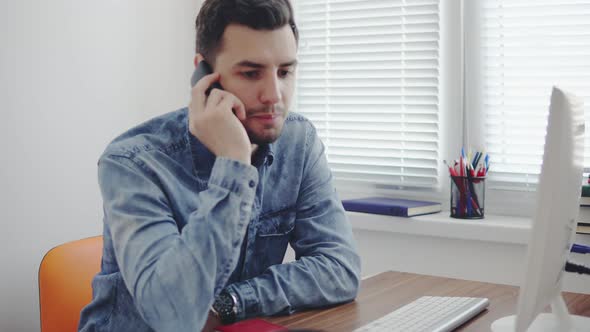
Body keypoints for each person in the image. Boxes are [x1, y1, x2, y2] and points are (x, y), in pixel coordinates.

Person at [78, 0, 361, 331]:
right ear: (204, 74)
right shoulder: (133, 162)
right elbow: (173, 316)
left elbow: (339, 268)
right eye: (251, 73)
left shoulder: (299, 141)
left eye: (285, 72)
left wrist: (230, 302)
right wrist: (234, 164)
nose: (274, 95)